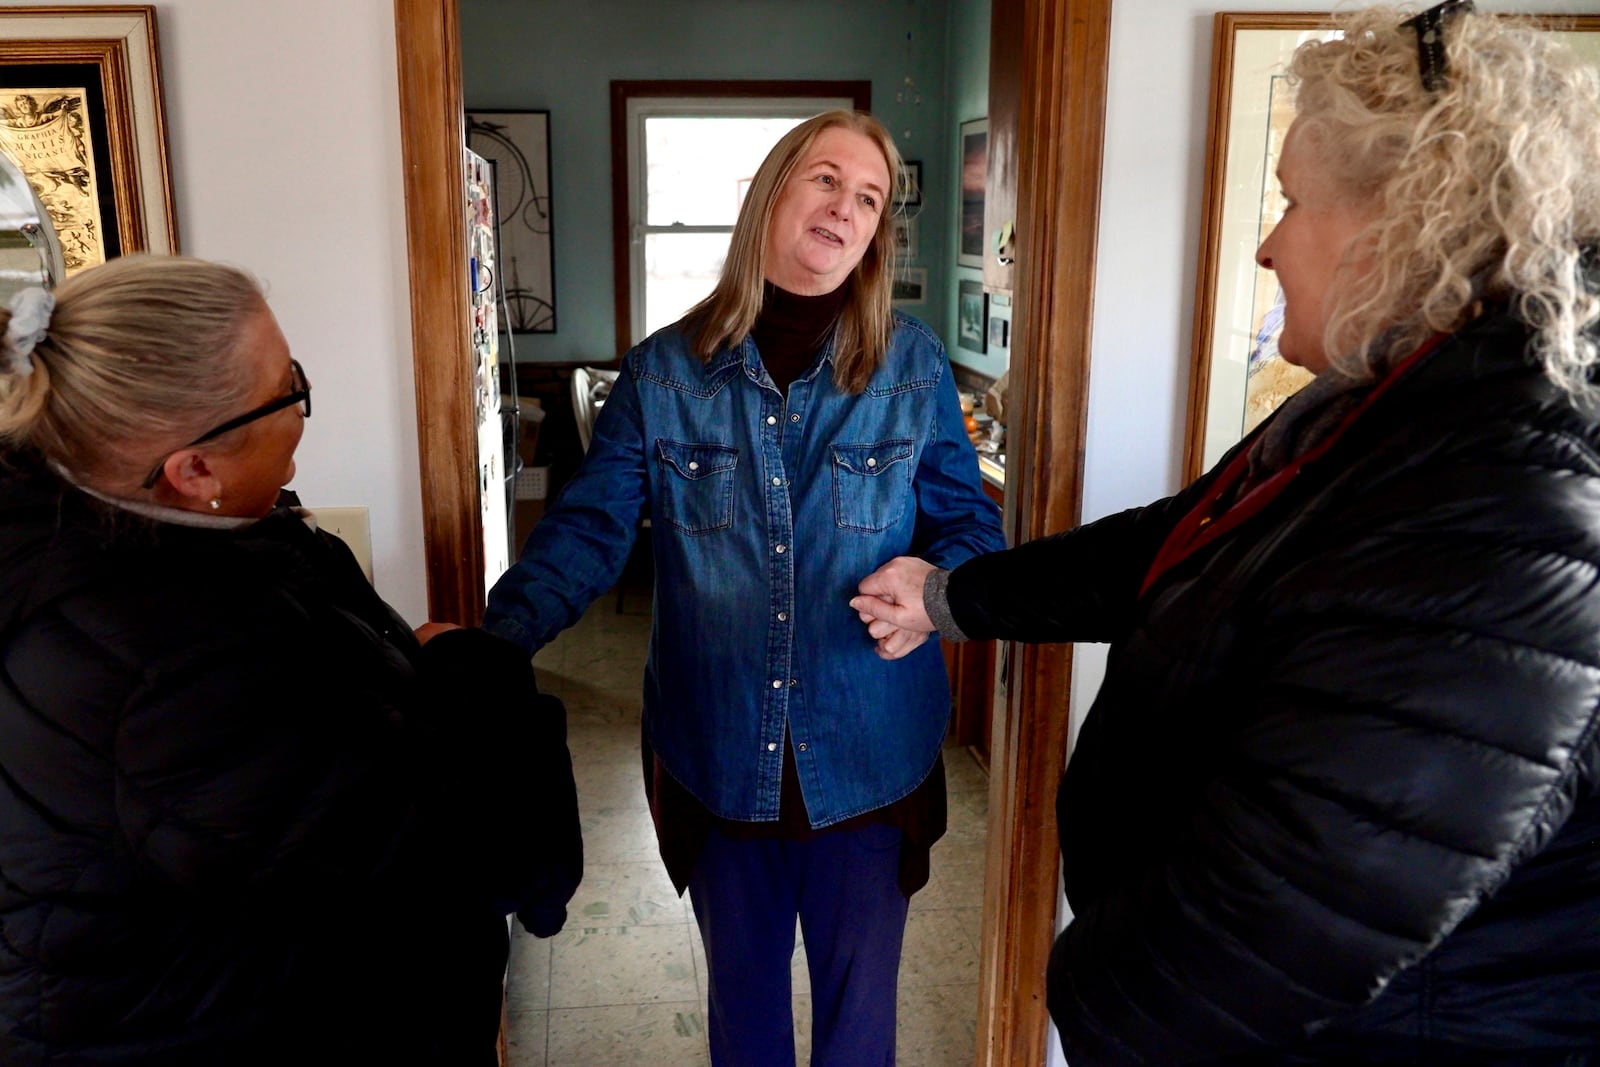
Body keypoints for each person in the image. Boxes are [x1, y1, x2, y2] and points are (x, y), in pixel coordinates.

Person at [852, 5, 1600, 1064]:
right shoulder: (1383, 401)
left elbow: (1285, 913)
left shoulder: (1500, 499)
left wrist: (1078, 991)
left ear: (1408, 218)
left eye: (1294, 202)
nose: (1266, 239)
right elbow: (1174, 543)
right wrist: (948, 596)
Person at [484, 109, 1005, 1064]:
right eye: (825, 180)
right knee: (746, 1030)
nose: (845, 209)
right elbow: (592, 531)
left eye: (869, 198)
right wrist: (491, 646)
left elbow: (970, 525)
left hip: (871, 758)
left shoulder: (912, 364)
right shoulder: (661, 375)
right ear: (769, 193)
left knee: (858, 1034)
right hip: (719, 756)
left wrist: (939, 586)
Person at [0, 254, 581, 1066]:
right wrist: (472, 668)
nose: (305, 404)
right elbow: (470, 854)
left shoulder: (119, 545)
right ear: (194, 469)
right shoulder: (162, 666)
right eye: (289, 387)